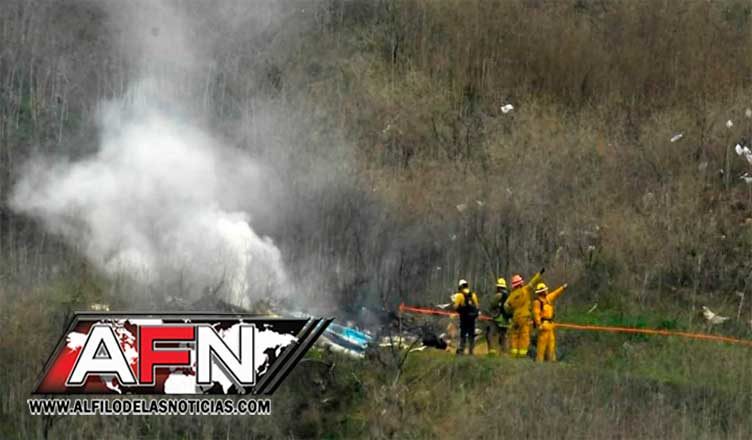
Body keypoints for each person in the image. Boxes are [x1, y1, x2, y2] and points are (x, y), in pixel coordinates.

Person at [503, 268, 544, 358]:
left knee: (514, 335)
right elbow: (533, 282)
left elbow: (506, 306)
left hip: (515, 318)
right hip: (525, 318)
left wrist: (510, 313)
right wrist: (539, 274)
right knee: (524, 336)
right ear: (521, 283)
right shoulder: (525, 290)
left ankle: (514, 355)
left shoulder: (512, 295)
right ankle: (522, 355)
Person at [533, 282, 568, 362]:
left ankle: (551, 360)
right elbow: (536, 314)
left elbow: (555, 293)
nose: (547, 291)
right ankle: (539, 361)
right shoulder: (537, 302)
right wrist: (539, 324)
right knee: (541, 345)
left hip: (550, 325)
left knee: (551, 344)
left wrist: (562, 288)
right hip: (543, 325)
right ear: (542, 292)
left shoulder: (548, 298)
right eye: (545, 290)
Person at [452, 279, 480, 355]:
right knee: (471, 334)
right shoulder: (473, 295)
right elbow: (477, 306)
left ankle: (462, 350)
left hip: (464, 318)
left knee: (463, 334)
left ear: (460, 286)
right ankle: (471, 351)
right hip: (472, 318)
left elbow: (455, 307)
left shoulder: (459, 295)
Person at [486, 277, 511, 354]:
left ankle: (492, 351)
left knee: (491, 334)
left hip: (498, 318)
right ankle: (504, 352)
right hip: (506, 319)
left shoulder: (498, 295)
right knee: (503, 336)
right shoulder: (509, 295)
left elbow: (492, 304)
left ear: (498, 287)